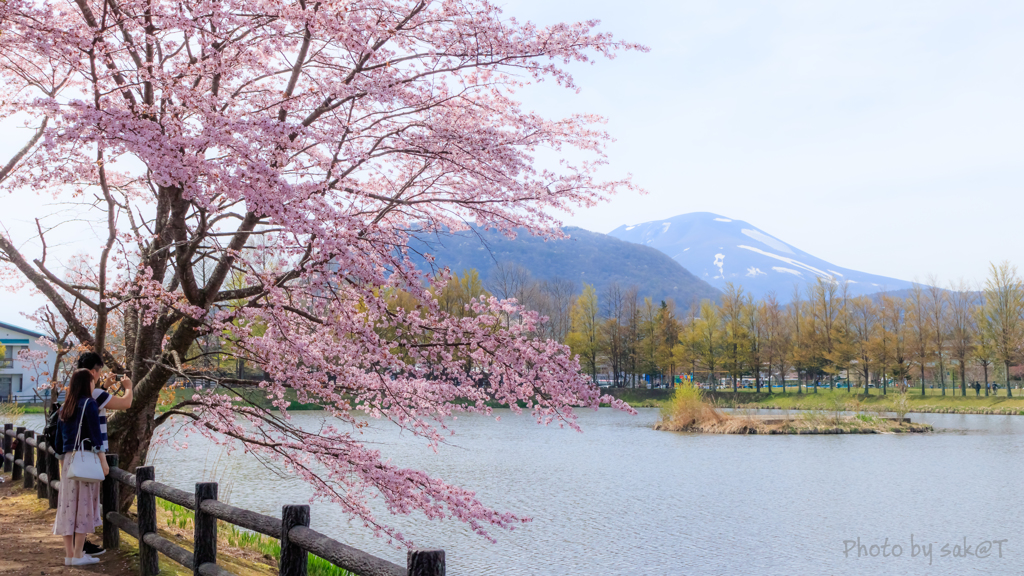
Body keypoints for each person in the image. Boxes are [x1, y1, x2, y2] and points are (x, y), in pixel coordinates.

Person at [73, 352, 133, 557]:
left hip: (75, 454)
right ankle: (80, 546)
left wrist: (105, 387)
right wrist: (129, 388)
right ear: (92, 372)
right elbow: (126, 404)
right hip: (91, 455)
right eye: (98, 372)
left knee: (78, 500)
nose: (99, 376)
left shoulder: (77, 393)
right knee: (87, 501)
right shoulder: (95, 395)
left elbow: (96, 401)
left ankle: (78, 544)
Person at [53, 369, 110, 566]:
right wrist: (103, 461)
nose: (94, 385)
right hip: (85, 460)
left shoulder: (64, 407)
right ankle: (78, 555)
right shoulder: (89, 404)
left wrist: (63, 464)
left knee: (68, 508)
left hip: (69, 461)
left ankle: (69, 556)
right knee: (83, 507)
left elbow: (58, 442)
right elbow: (96, 436)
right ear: (86, 384)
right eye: (92, 382)